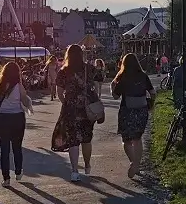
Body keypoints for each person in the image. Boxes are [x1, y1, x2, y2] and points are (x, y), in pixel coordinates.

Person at [51, 44, 101, 182]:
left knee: (73, 140)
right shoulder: (89, 69)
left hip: (71, 109)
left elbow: (59, 92)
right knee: (86, 138)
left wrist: (66, 102)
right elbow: (97, 83)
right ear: (81, 55)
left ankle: (74, 171)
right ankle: (87, 165)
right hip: (87, 109)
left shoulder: (63, 71)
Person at [111, 53, 155, 178]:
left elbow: (115, 96)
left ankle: (133, 162)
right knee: (137, 138)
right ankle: (136, 165)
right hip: (141, 110)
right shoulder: (143, 76)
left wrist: (112, 87)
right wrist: (151, 104)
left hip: (127, 111)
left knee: (126, 140)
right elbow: (153, 92)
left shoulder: (122, 77)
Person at [0, 61, 33, 186]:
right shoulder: (19, 86)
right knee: (17, 147)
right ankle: (18, 171)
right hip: (17, 118)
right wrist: (27, 101)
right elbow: (25, 102)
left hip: (3, 119)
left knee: (4, 150)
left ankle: (6, 178)